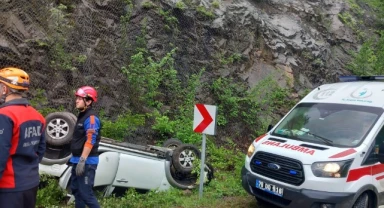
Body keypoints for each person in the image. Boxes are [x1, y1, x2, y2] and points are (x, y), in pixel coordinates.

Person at [0, 67, 46, 208]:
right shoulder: (38, 116)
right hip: (30, 183)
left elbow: (1, 154)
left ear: (4, 89)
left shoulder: (5, 115)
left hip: (8, 187)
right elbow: (41, 150)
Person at [69, 86, 101, 208]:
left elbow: (90, 140)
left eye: (80, 98)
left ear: (88, 101)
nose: (76, 100)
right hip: (77, 160)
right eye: (76, 98)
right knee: (77, 192)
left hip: (87, 162)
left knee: (86, 194)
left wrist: (82, 160)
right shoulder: (82, 115)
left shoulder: (91, 118)